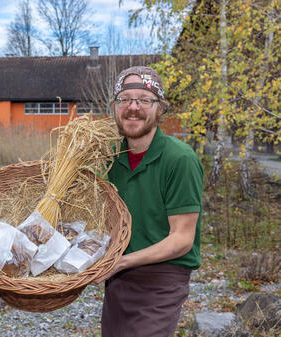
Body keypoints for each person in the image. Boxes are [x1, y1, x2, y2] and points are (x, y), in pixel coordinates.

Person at [95, 66, 204, 337]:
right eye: (125, 99)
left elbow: (182, 239)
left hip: (162, 278)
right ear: (114, 107)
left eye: (144, 100)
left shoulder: (180, 160)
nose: (133, 108)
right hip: (118, 279)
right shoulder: (108, 158)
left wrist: (121, 262)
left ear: (160, 109)